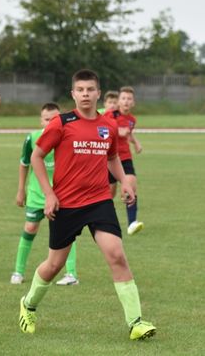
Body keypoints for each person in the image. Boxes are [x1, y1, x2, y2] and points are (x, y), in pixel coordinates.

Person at [18, 69, 155, 341]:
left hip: (99, 201)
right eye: (80, 90)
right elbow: (36, 156)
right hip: (66, 205)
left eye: (90, 89)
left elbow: (113, 157)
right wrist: (48, 194)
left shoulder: (108, 125)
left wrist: (125, 182)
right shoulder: (61, 122)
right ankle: (29, 304)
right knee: (54, 265)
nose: (85, 94)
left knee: (116, 254)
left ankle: (135, 322)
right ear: (73, 94)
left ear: (98, 93)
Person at [11, 103, 79, 286]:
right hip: (36, 193)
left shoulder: (69, 138)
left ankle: (71, 274)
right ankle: (18, 271)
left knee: (66, 232)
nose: (50, 123)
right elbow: (24, 164)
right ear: (41, 120)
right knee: (30, 228)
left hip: (62, 194)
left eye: (54, 119)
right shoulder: (32, 139)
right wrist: (21, 189)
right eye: (47, 119)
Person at [104, 86, 143, 235]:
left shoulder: (132, 120)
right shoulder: (110, 116)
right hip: (109, 159)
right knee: (109, 193)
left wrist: (136, 143)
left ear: (133, 102)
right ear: (119, 101)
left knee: (131, 185)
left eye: (129, 99)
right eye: (124, 98)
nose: (126, 101)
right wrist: (117, 131)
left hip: (125, 158)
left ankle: (132, 223)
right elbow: (103, 132)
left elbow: (129, 134)